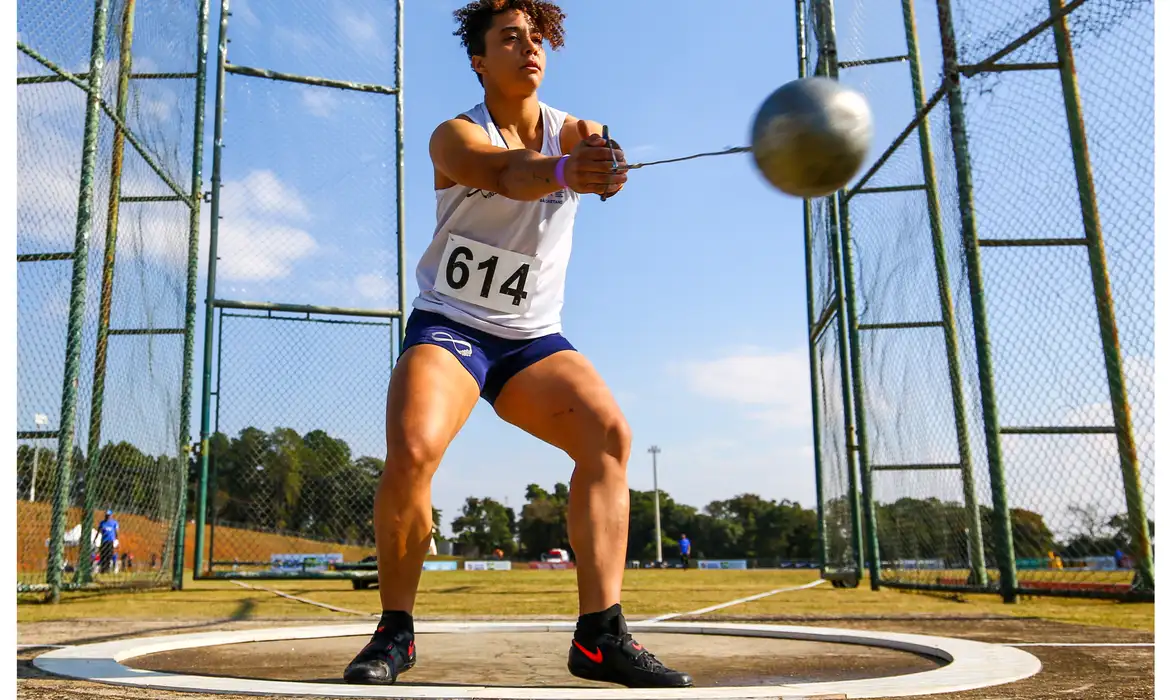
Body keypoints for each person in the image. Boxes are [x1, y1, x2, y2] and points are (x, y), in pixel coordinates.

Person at [343, 0, 691, 689]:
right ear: (479, 59)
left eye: (536, 37)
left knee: (609, 436)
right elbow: (507, 174)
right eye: (510, 38)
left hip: (531, 338)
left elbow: (596, 157)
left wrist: (605, 167)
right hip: (452, 325)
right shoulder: (453, 137)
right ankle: (396, 632)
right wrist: (567, 174)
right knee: (412, 450)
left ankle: (600, 636)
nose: (529, 47)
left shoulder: (577, 129)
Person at [97, 510, 119, 574]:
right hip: (104, 541)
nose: (107, 517)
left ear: (111, 516)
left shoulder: (114, 523)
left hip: (110, 541)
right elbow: (98, 531)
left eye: (109, 515)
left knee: (109, 555)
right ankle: (103, 569)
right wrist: (96, 538)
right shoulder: (102, 523)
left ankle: (108, 568)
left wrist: (117, 539)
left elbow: (116, 531)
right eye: (106, 515)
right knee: (103, 555)